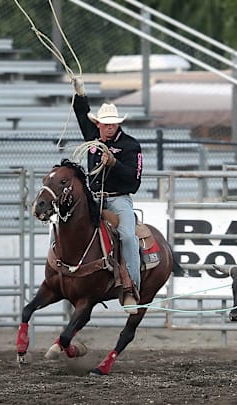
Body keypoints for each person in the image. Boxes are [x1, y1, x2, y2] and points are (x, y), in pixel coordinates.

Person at [72, 77, 144, 314]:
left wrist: (114, 163)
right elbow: (81, 113)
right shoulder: (92, 138)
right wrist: (80, 92)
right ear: (99, 124)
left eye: (112, 123)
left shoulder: (131, 146)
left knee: (128, 236)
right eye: (105, 123)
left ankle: (131, 288)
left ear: (118, 124)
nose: (109, 127)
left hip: (118, 199)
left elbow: (134, 182)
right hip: (93, 198)